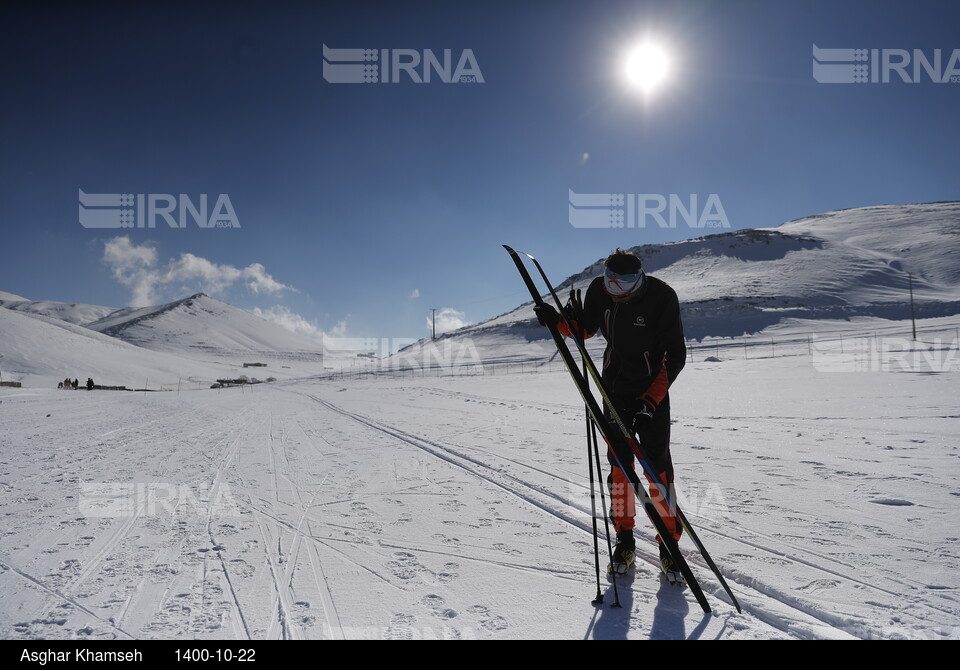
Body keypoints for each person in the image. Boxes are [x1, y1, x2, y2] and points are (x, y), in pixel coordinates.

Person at [535, 248, 686, 576]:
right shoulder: (600, 291)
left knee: (656, 470)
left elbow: (675, 356)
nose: (614, 290)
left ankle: (669, 543)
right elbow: (584, 329)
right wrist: (557, 322)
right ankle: (624, 539)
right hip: (614, 390)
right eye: (609, 281)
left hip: (652, 393)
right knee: (620, 468)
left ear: (639, 279)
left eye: (623, 284)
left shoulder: (662, 297)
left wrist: (649, 403)